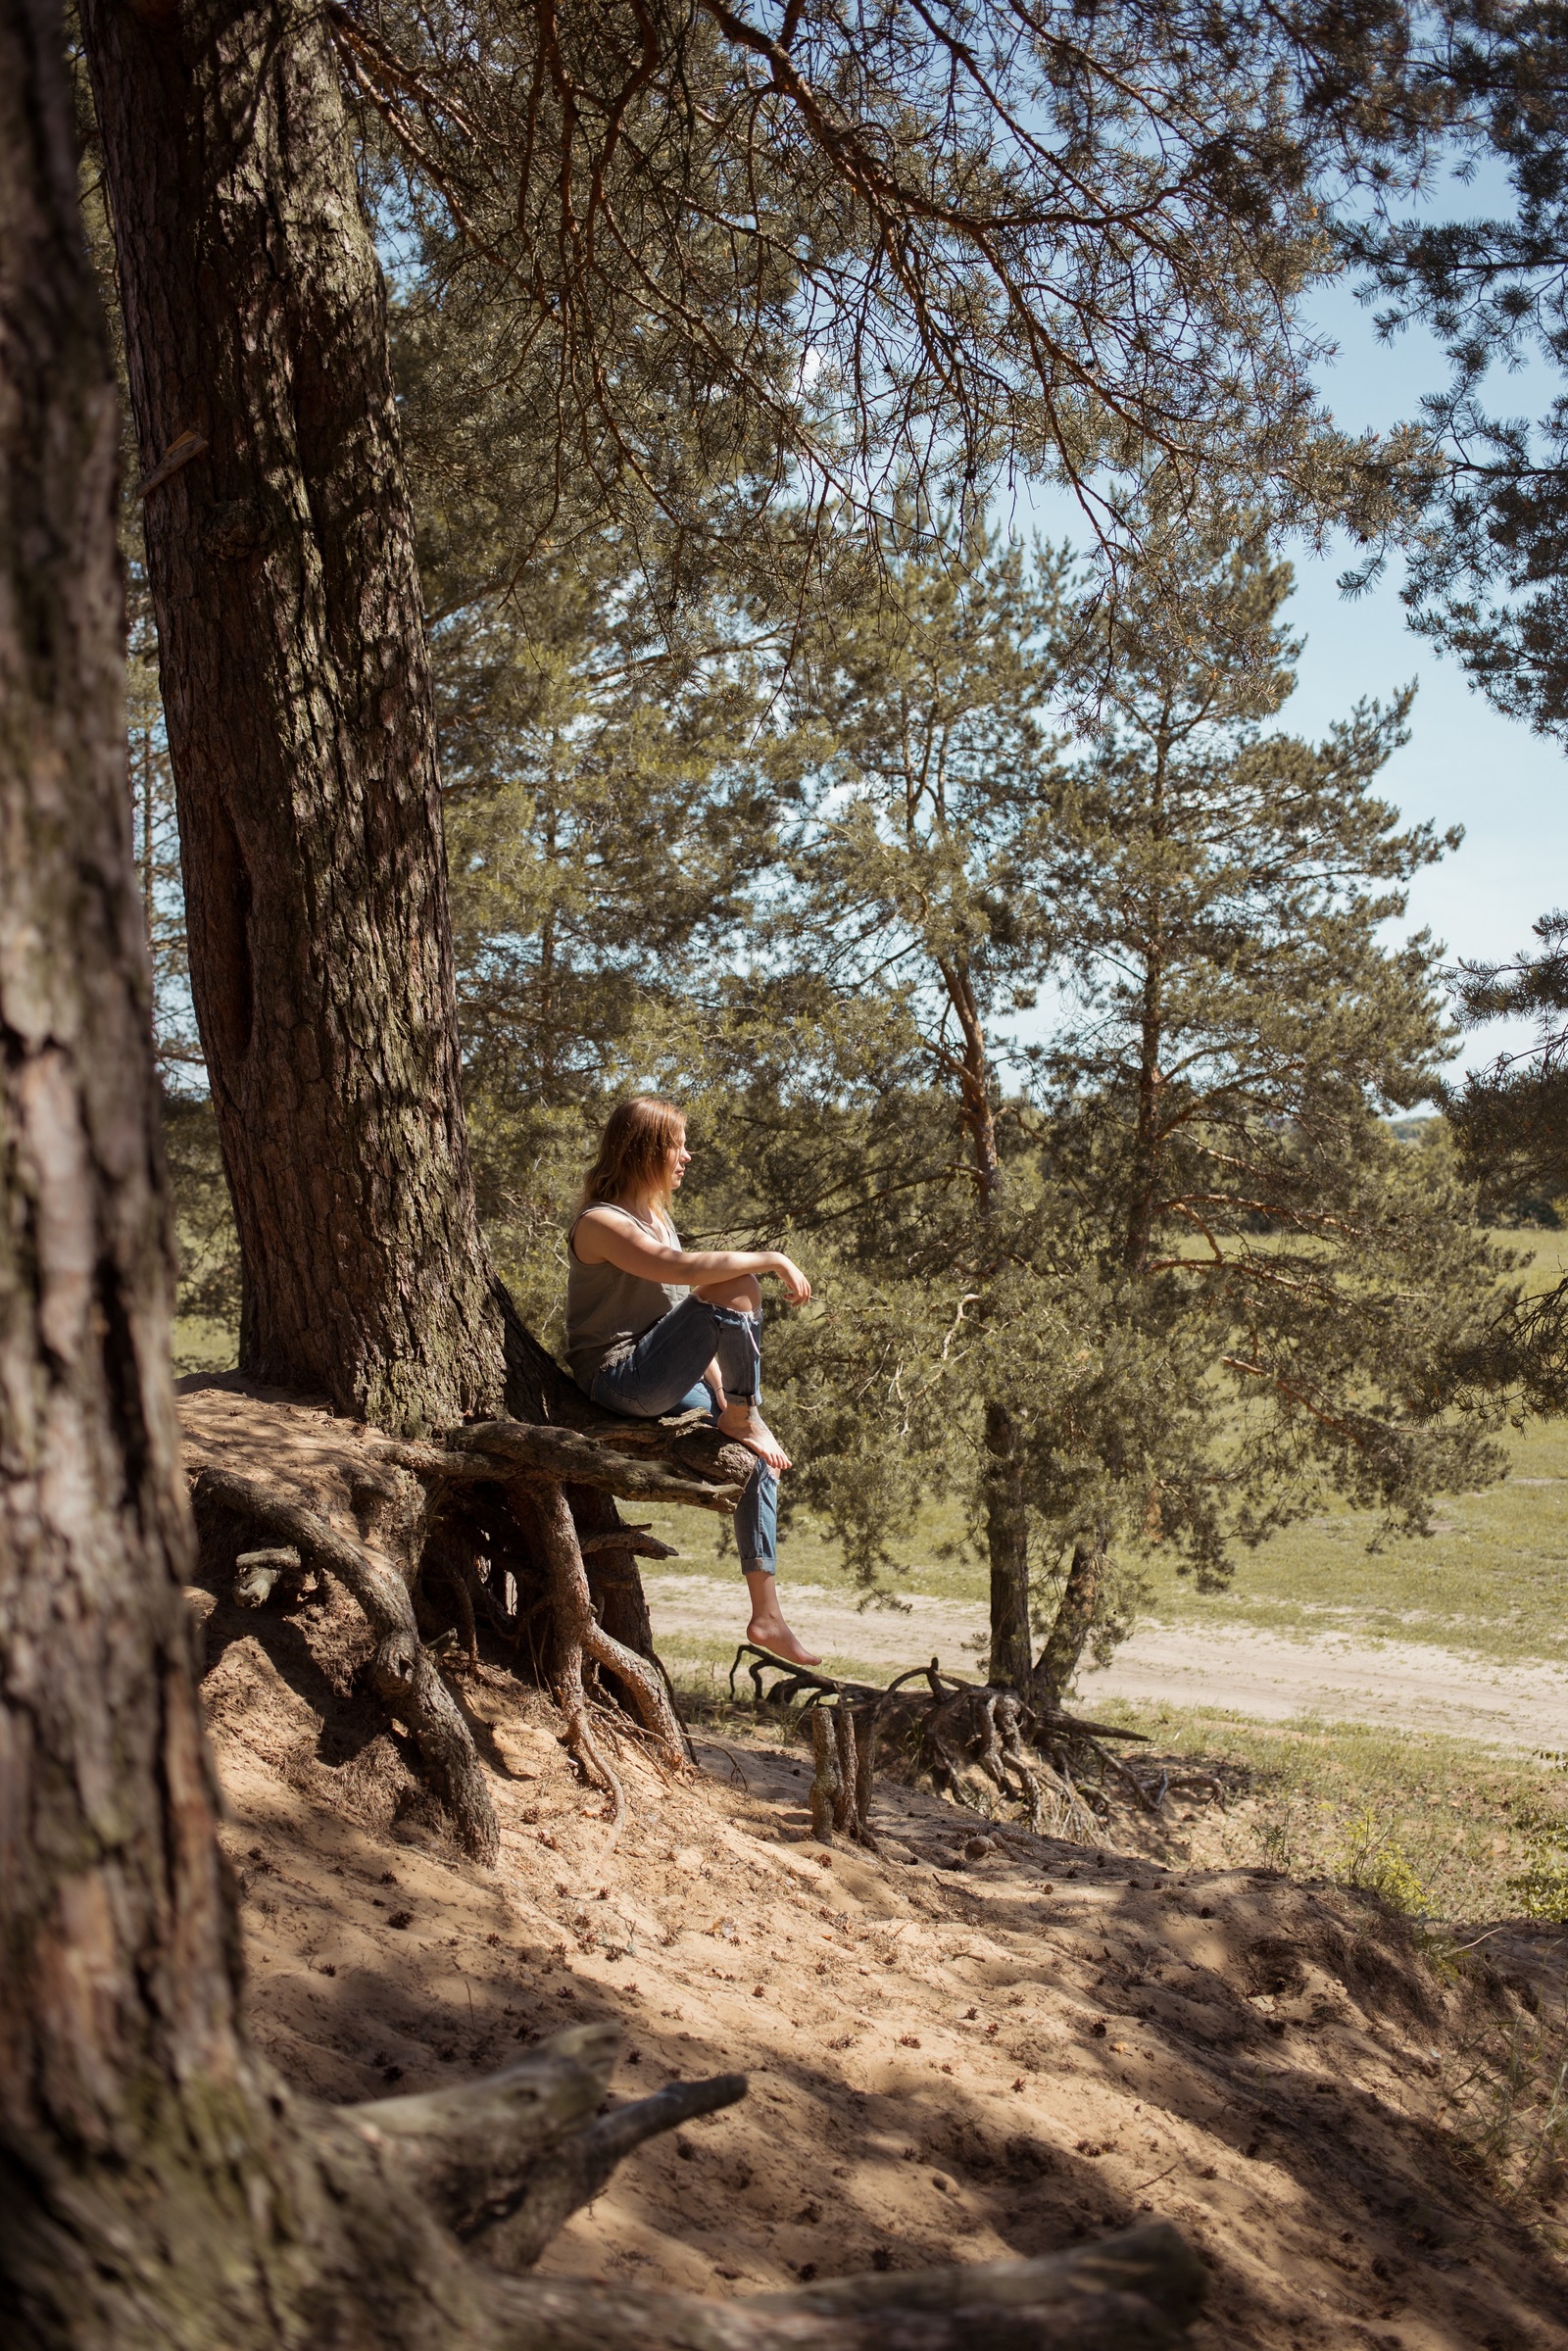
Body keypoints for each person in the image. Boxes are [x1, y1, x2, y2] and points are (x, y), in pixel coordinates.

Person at [564, 1096, 821, 1667]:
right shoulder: (601, 1222)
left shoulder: (660, 1220)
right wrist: (770, 1257)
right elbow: (679, 1273)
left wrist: (732, 1402)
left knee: (757, 1456)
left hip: (660, 1372)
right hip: (618, 1378)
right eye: (678, 1144)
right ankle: (743, 1415)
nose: (687, 1155)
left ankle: (766, 1613)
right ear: (647, 1150)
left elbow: (688, 1327)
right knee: (740, 1286)